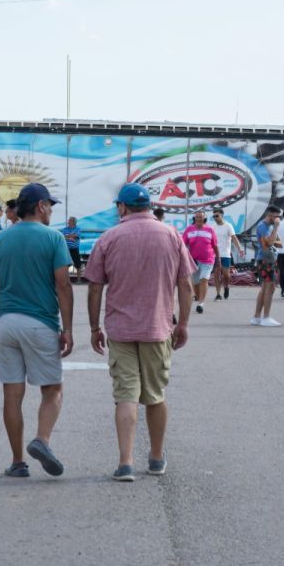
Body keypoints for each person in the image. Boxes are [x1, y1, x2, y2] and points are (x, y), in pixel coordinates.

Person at [86, 183, 194, 482]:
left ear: (122, 207)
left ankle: (126, 463)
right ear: (148, 206)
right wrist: (183, 323)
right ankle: (157, 458)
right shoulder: (171, 235)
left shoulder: (109, 238)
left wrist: (95, 326)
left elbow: (95, 286)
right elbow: (185, 284)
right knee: (156, 396)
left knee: (126, 396)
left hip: (120, 330)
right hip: (158, 328)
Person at [0, 183, 75, 479]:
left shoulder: (0, 240)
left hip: (6, 323)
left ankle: (18, 462)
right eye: (51, 205)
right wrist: (68, 329)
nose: (52, 211)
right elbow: (63, 285)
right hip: (40, 323)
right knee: (53, 389)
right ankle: (42, 440)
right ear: (41, 205)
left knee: (12, 394)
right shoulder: (54, 238)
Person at [250, 206, 283, 327]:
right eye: (276, 217)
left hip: (269, 258)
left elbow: (280, 243)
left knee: (265, 288)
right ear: (269, 215)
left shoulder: (269, 227)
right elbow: (269, 243)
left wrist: (272, 238)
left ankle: (257, 317)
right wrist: (275, 228)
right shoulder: (263, 226)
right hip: (265, 260)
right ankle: (266, 317)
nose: (278, 220)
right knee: (270, 288)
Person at [182, 209, 218, 314]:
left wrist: (218, 259)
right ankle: (198, 298)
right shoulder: (189, 230)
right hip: (193, 260)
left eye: (201, 217)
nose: (199, 219)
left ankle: (201, 303)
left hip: (208, 259)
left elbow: (215, 246)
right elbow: (183, 244)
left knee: (204, 279)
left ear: (204, 219)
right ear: (194, 218)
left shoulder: (210, 230)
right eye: (197, 217)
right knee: (195, 282)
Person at [210, 208, 237, 301]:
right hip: (215, 255)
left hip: (226, 254)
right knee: (216, 275)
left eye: (217, 216)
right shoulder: (212, 227)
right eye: (214, 216)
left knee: (226, 275)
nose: (215, 218)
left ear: (222, 215)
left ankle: (226, 287)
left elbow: (234, 238)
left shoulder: (228, 226)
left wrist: (240, 248)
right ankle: (218, 294)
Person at [61, 216, 83, 284]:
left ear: (74, 222)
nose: (68, 222)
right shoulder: (65, 229)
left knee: (78, 265)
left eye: (69, 221)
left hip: (75, 249)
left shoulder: (78, 228)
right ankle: (66, 281)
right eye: (68, 221)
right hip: (67, 249)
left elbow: (77, 236)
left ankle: (79, 280)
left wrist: (68, 236)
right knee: (66, 265)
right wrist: (71, 236)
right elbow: (63, 236)